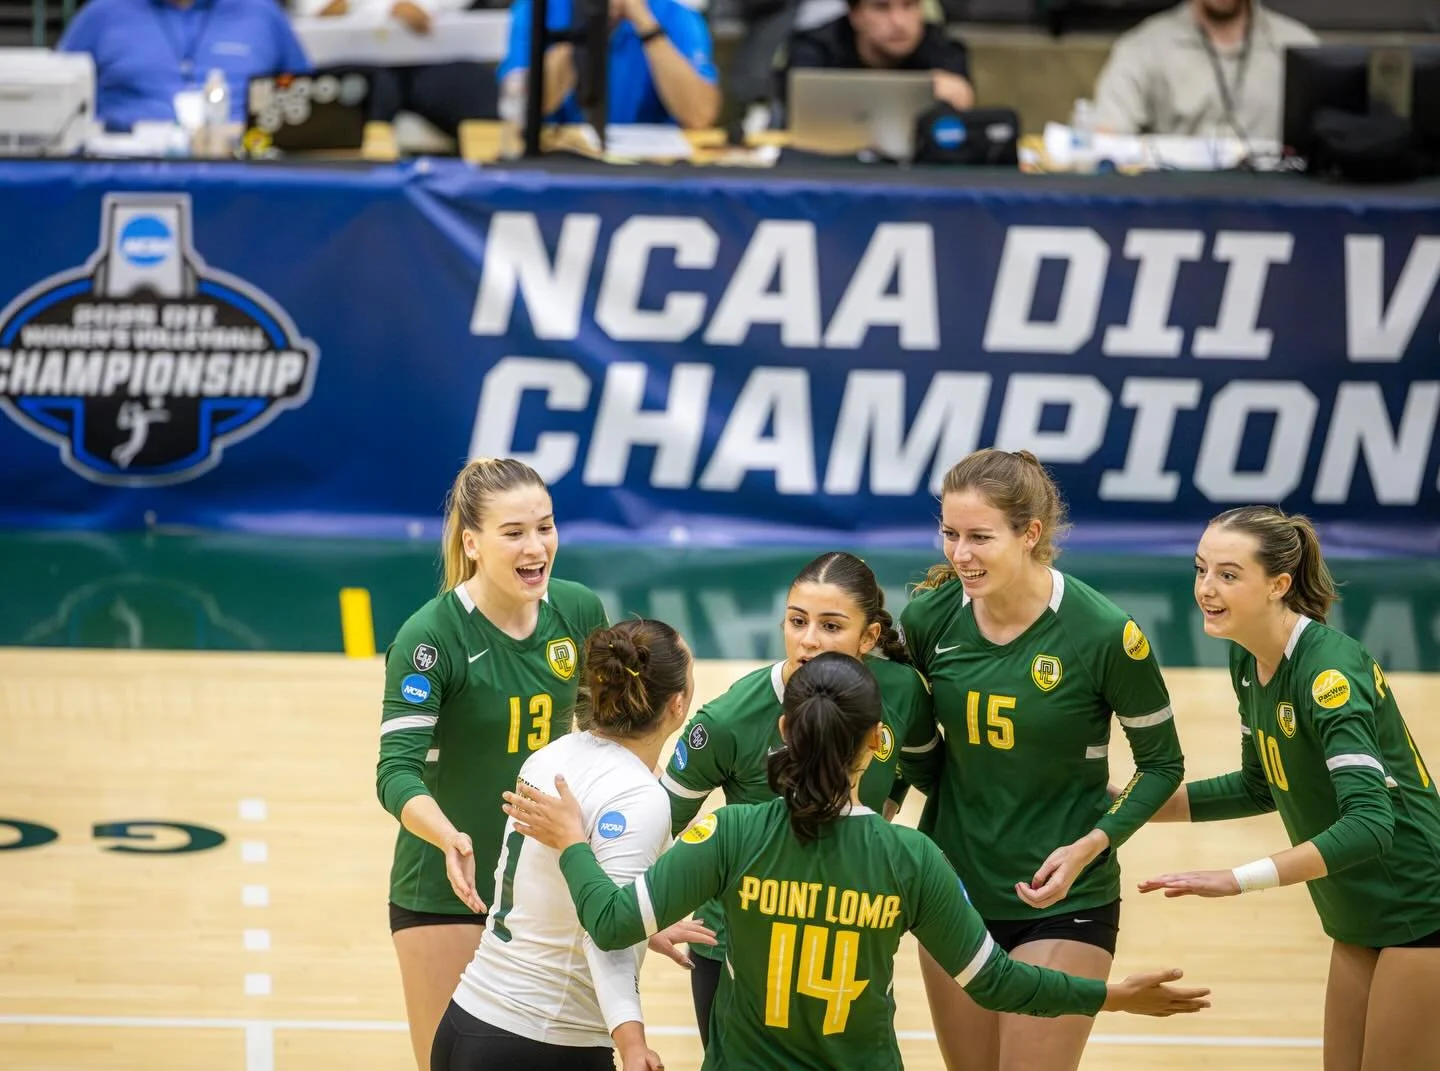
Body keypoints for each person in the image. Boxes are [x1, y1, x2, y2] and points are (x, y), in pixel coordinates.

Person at [504, 653, 1211, 1071]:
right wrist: (1112, 995)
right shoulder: (911, 857)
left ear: (783, 730)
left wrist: (572, 842)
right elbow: (998, 983)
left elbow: (609, 919)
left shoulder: (731, 832)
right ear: (877, 741)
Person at [900, 447, 1186, 1071]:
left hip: (1064, 901)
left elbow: (1162, 766)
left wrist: (1092, 844)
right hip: (953, 893)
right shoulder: (929, 619)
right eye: (949, 533)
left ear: (1030, 534)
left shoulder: (1104, 634)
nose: (959, 554)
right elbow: (901, 745)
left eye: (980, 537)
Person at [1137, 506, 1440, 1070]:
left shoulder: (1329, 676)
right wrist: (1131, 804)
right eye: (1201, 569)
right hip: (1354, 912)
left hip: (1420, 906)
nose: (1206, 588)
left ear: (1279, 585)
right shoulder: (1248, 659)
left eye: (1229, 575)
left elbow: (1372, 824)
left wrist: (1238, 880)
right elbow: (1261, 784)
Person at [376, 457, 609, 1071]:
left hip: (546, 889)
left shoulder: (578, 612)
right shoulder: (430, 639)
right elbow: (395, 772)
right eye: (514, 533)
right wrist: (447, 835)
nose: (536, 547)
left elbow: (604, 742)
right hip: (449, 895)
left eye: (546, 527)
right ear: (471, 543)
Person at [659, 550, 936, 1044]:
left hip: (850, 937)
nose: (809, 640)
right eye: (797, 621)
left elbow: (924, 768)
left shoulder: (901, 693)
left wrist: (884, 811)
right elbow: (655, 821)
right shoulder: (728, 721)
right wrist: (649, 917)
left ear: (869, 637)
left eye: (831, 626)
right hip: (738, 951)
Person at [434, 618, 716, 1071]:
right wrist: (633, 1044)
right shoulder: (639, 796)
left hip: (466, 1022)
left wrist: (644, 921)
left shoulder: (554, 755)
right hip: (542, 1043)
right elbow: (604, 935)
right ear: (678, 705)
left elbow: (543, 887)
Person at [59, 0, 312, 132]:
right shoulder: (103, 13)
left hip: (243, 173)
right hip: (124, 170)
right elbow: (55, 92)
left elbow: (306, 96)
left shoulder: (262, 13)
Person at [1092, 0, 1317, 144]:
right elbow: (1107, 136)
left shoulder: (1297, 45)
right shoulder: (1144, 46)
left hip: (1274, 205)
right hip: (1176, 203)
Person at [499, 0, 721, 129]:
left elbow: (699, 115)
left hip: (648, 169)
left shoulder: (674, 14)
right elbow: (520, 109)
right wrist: (585, 28)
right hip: (560, 163)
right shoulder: (538, 9)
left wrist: (646, 26)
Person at [778, 0, 973, 114]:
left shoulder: (942, 48)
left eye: (909, 5)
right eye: (881, 8)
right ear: (855, 16)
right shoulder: (815, 48)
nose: (898, 22)